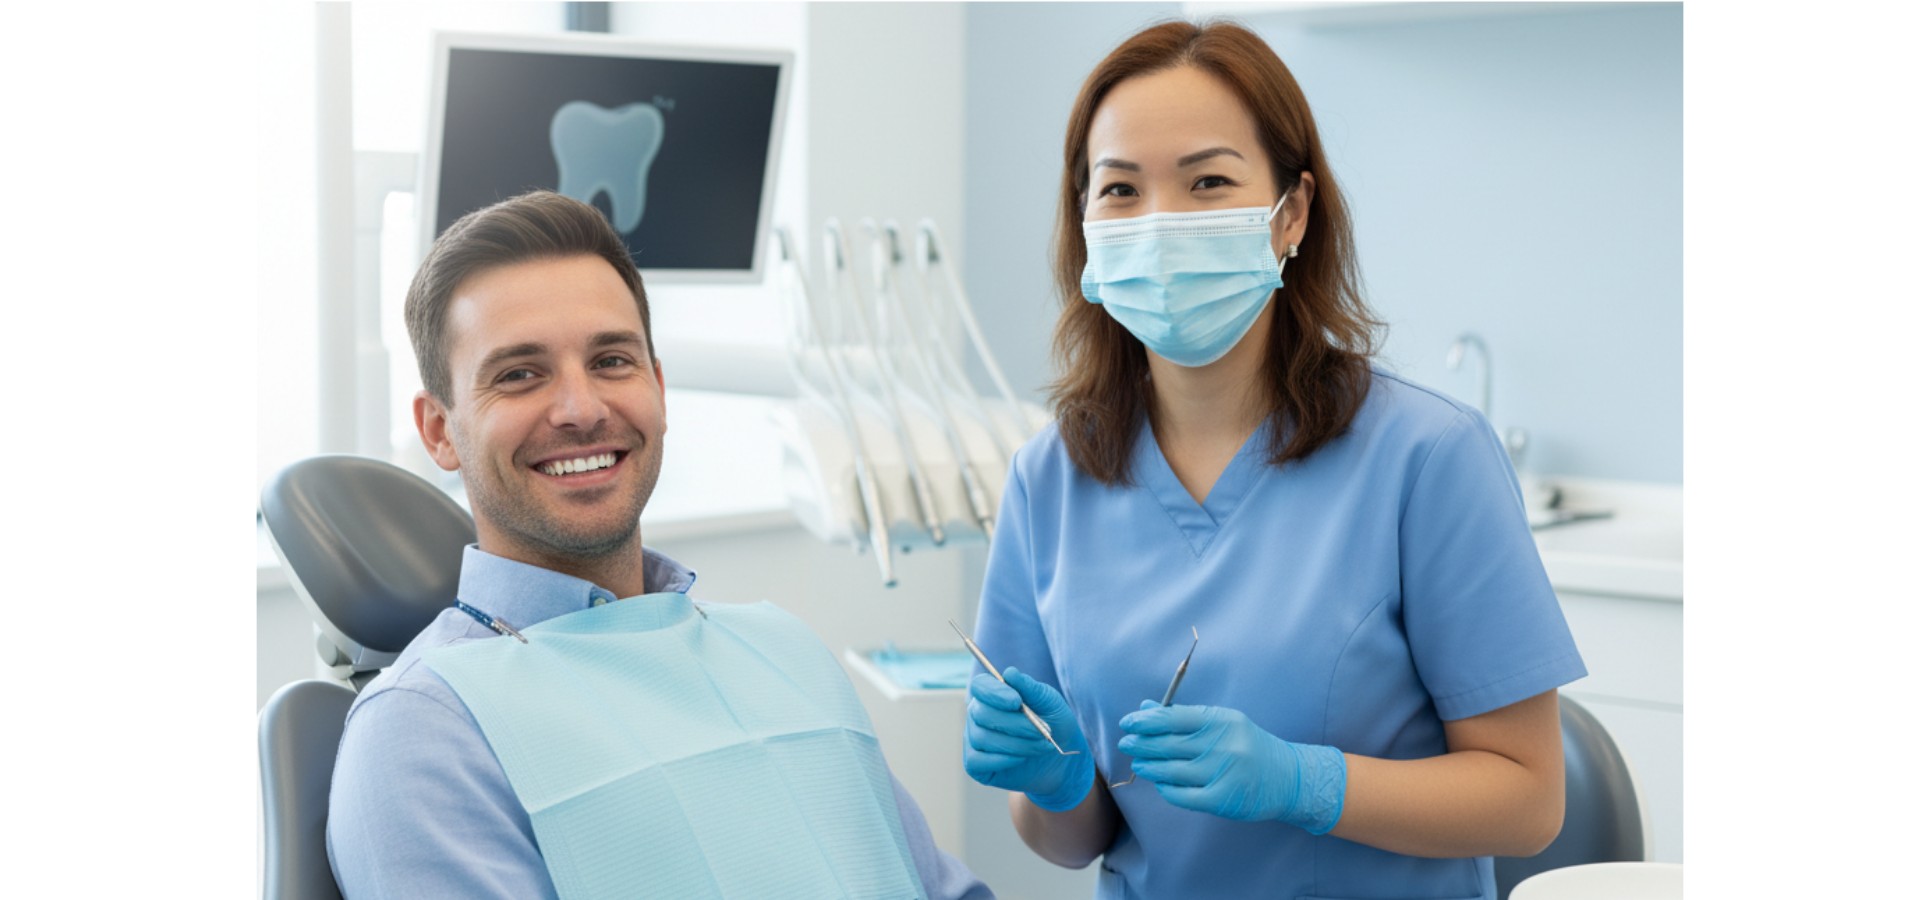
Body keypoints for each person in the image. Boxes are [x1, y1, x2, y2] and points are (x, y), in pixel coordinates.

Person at [962, 21, 1586, 900]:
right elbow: (1069, 842)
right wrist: (1056, 782)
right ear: (1086, 225)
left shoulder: (1427, 458)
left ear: (1290, 213)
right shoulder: (1047, 481)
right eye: (1121, 190)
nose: (1162, 224)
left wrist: (1306, 784)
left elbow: (1528, 801)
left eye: (1208, 182)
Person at [327, 190, 991, 900]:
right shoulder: (423, 733)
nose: (582, 409)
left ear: (659, 388)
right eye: (520, 374)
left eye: (612, 360)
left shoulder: (784, 649)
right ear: (437, 430)